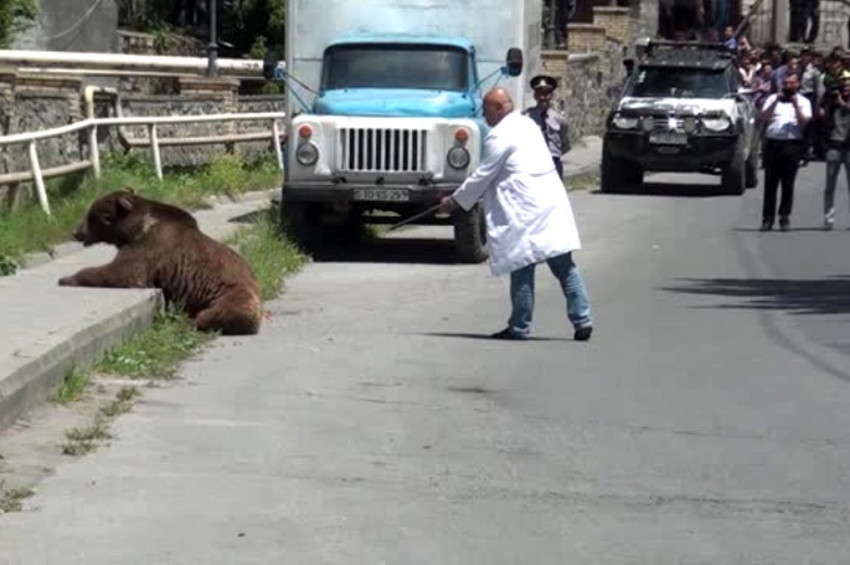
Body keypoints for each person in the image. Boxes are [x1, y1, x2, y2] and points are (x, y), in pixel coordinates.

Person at [436, 87, 593, 341]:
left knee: (521, 264)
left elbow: (482, 177)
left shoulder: (499, 136)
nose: (484, 116)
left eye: (486, 110)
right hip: (550, 204)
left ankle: (519, 326)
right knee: (563, 265)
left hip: (526, 211)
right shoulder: (528, 125)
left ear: (500, 109)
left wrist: (453, 202)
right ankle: (582, 319)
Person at [759, 74, 813, 231]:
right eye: (786, 83)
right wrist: (776, 100)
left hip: (792, 144)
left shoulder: (803, 101)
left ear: (797, 85)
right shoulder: (772, 99)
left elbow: (804, 123)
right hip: (773, 143)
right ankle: (767, 218)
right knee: (770, 184)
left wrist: (795, 105)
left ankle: (784, 217)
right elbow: (764, 117)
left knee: (788, 184)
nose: (788, 86)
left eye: (791, 83)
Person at [523, 74, 571, 182]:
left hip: (553, 161)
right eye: (539, 93)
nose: (542, 97)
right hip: (533, 161)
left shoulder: (559, 118)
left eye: (546, 93)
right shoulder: (527, 117)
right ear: (535, 96)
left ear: (551, 95)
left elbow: (564, 142)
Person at [821, 80, 850, 229]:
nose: (845, 90)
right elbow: (822, 119)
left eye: (848, 88)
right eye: (843, 87)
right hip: (834, 146)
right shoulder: (831, 104)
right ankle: (828, 218)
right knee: (830, 185)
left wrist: (843, 103)